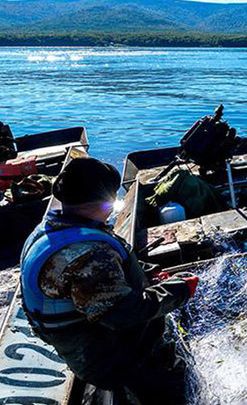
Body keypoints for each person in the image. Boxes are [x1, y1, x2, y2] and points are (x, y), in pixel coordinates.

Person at [20, 157, 198, 405]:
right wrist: (180, 289)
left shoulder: (53, 227)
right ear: (104, 201)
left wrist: (148, 272)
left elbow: (110, 266)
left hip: (81, 341)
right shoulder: (89, 255)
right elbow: (121, 314)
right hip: (103, 358)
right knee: (171, 384)